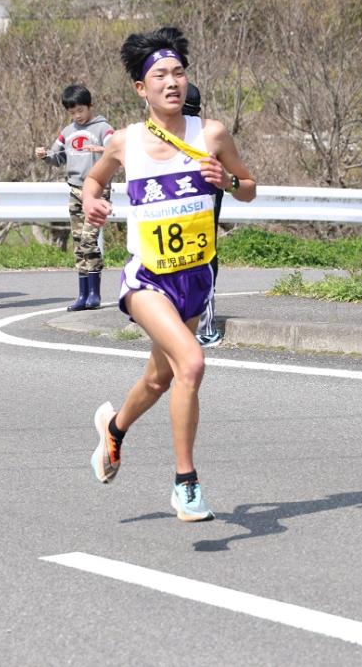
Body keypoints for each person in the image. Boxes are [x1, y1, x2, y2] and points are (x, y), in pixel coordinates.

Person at [83, 26, 256, 522]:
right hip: (147, 280)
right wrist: (94, 202)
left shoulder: (212, 135)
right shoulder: (124, 142)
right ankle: (186, 484)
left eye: (178, 72)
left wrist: (228, 180)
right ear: (141, 88)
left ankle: (113, 431)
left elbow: (249, 186)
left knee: (160, 380)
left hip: (194, 281)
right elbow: (94, 181)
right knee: (192, 364)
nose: (172, 82)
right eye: (159, 75)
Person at [34, 84, 114, 311]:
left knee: (89, 239)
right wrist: (44, 156)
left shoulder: (103, 128)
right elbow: (56, 157)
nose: (77, 115)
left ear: (90, 106)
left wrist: (98, 150)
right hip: (75, 190)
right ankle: (83, 294)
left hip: (98, 191)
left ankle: (95, 293)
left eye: (80, 110)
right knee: (79, 242)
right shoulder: (68, 132)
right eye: (72, 112)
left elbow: (115, 149)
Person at [184, 83, 224, 347]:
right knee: (204, 258)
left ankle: (197, 328)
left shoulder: (168, 133)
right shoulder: (209, 133)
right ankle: (201, 329)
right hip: (205, 204)